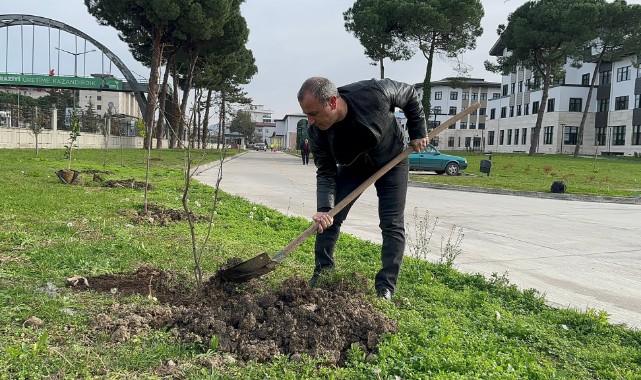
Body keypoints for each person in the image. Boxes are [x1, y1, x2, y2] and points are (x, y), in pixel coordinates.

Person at [297, 77, 428, 301]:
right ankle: (322, 272)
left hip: (393, 160)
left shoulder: (374, 93)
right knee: (330, 218)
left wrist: (418, 130)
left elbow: (410, 95)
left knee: (392, 224)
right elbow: (326, 171)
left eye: (314, 113)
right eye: (306, 114)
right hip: (354, 167)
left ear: (332, 102)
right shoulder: (317, 132)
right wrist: (324, 207)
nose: (310, 121)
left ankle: (385, 286)